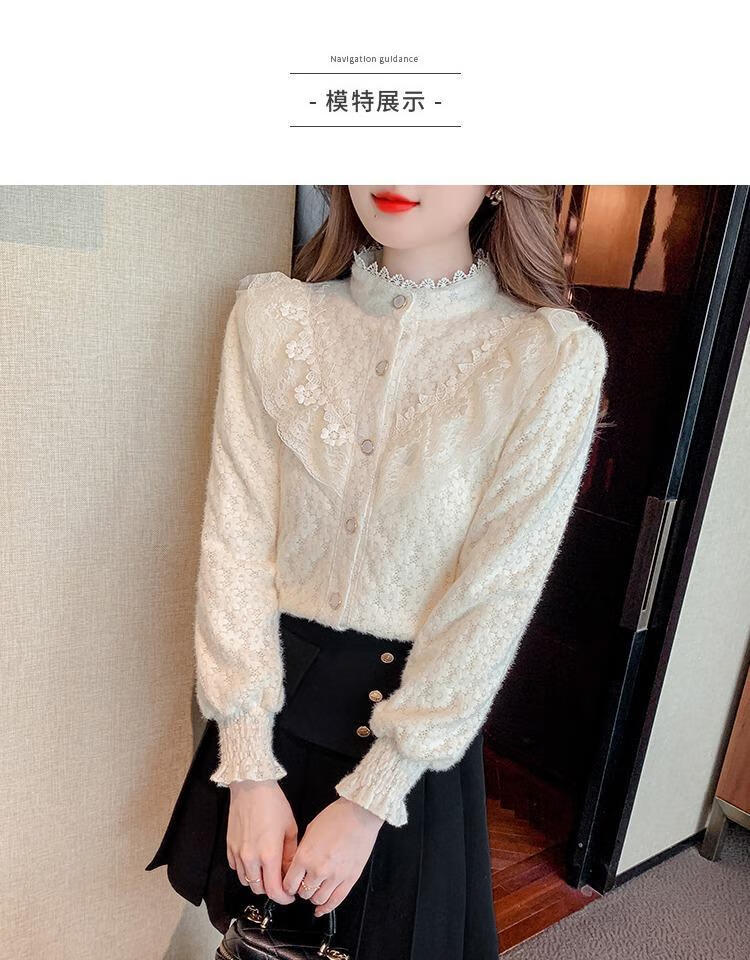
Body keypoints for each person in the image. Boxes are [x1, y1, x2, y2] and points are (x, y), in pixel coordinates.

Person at [145, 185, 609, 960]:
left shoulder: (547, 357)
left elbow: (495, 596)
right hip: (272, 713)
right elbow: (235, 540)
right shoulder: (274, 317)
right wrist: (249, 767)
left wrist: (371, 798)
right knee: (248, 944)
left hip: (413, 742)